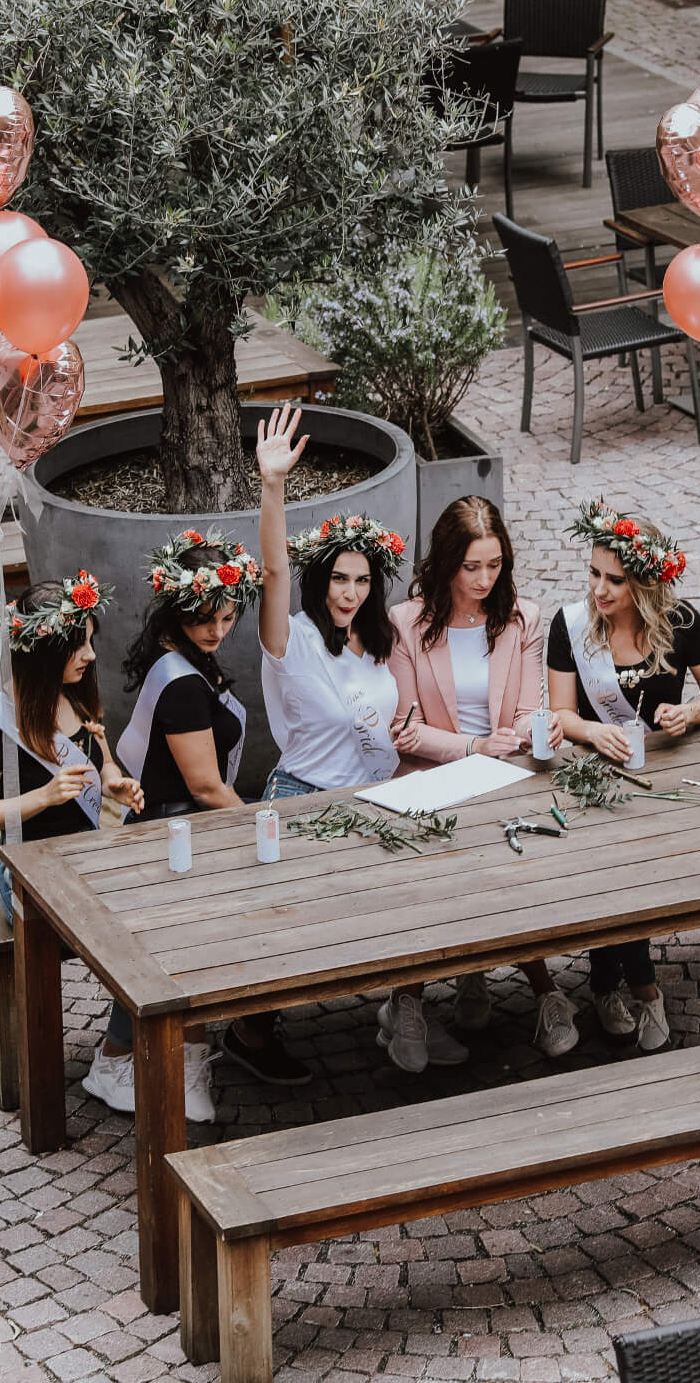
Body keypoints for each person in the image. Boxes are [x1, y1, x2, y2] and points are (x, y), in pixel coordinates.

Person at [255, 405, 462, 1073]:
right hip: (302, 800)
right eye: (339, 578)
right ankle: (247, 1032)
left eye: (362, 579)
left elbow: (385, 724)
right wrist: (273, 486)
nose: (349, 591)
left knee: (428, 890)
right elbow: (276, 569)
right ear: (322, 579)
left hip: (369, 801)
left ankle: (407, 1013)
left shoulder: (378, 644)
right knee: (294, 931)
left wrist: (402, 733)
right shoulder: (295, 641)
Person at [117, 525, 313, 1098]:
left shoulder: (183, 656)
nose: (217, 631)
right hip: (173, 832)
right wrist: (262, 823)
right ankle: (223, 1043)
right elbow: (205, 787)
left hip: (187, 821)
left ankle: (250, 1028)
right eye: (206, 618)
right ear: (178, 609)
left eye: (227, 619)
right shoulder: (180, 681)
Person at [387, 495, 578, 1057]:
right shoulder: (407, 622)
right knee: (438, 879)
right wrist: (472, 745)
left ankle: (541, 993)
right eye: (472, 567)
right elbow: (405, 730)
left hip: (504, 773)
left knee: (517, 871)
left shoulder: (523, 617)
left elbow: (522, 712)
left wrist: (535, 730)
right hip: (430, 777)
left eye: (494, 565)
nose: (485, 579)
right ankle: (407, 1003)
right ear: (446, 562)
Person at [0, 574, 156, 1108]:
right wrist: (42, 797)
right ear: (45, 651)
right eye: (79, 644)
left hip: (89, 860)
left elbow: (103, 762)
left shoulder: (76, 698)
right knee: (126, 930)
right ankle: (117, 1057)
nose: (91, 654)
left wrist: (115, 781)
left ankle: (119, 1054)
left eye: (91, 640)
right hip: (28, 873)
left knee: (156, 913)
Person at [547, 500, 700, 1052]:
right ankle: (643, 988)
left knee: (637, 874)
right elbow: (560, 713)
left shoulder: (681, 623)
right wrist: (587, 730)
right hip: (593, 779)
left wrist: (689, 714)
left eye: (615, 580)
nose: (599, 590)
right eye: (594, 573)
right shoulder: (572, 625)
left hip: (661, 777)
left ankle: (606, 986)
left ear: (646, 582)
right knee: (614, 872)